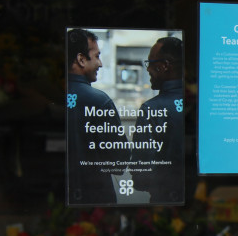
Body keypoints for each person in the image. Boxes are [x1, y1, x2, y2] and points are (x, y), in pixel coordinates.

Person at [65, 28, 127, 205]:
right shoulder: (100, 101)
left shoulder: (48, 97)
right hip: (96, 200)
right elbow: (119, 161)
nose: (100, 64)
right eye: (97, 56)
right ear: (81, 59)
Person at [130, 36, 185, 204]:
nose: (148, 70)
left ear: (165, 65)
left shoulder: (151, 109)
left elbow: (141, 173)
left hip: (164, 200)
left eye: (150, 63)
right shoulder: (202, 103)